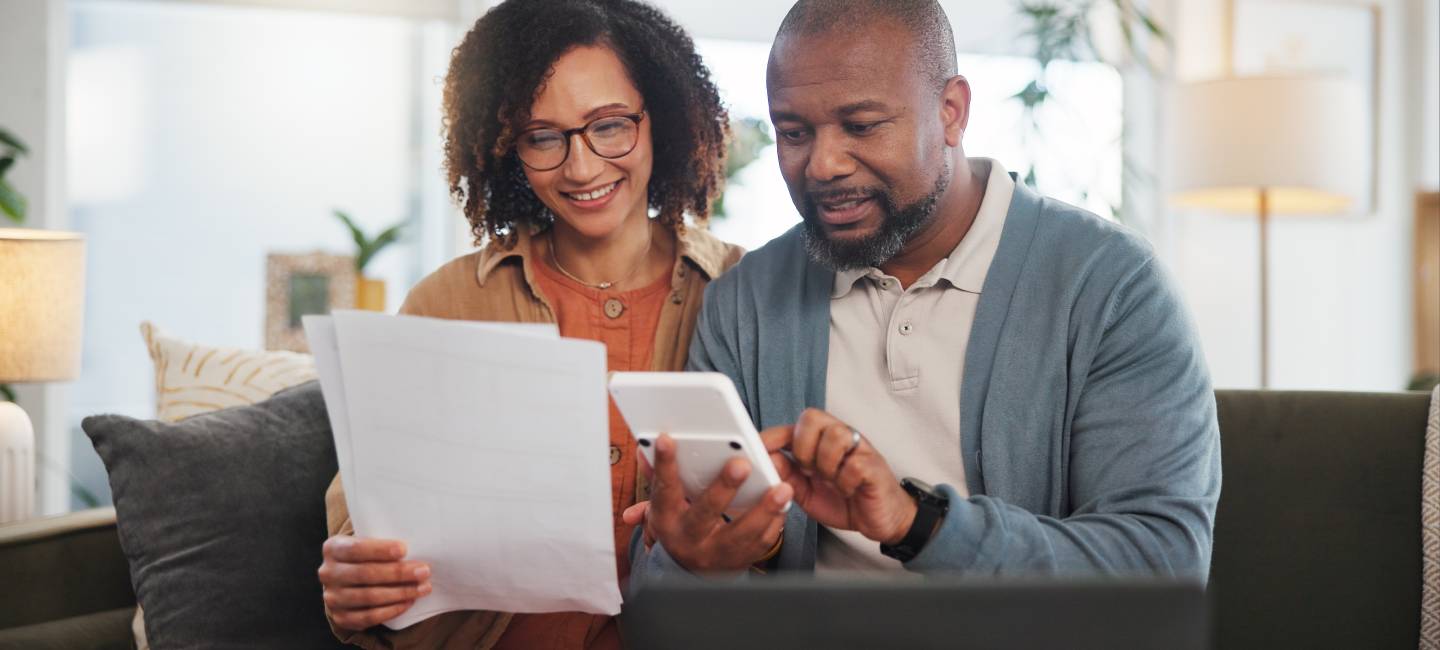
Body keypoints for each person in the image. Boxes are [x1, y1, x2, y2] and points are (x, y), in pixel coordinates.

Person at [626, 0, 1221, 580]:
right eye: (794, 132)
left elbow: (1163, 564)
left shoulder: (1109, 286)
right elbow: (665, 595)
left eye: (861, 126)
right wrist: (701, 556)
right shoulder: (747, 300)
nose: (823, 164)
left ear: (952, 111)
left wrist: (918, 525)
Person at [314, 1, 741, 647]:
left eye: (609, 126)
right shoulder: (449, 302)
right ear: (507, 148)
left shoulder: (739, 293)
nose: (581, 167)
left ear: (662, 116)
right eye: (543, 137)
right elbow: (367, 519)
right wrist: (358, 585)